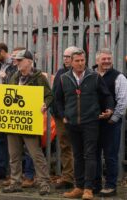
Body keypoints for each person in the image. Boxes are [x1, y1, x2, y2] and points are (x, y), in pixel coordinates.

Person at [56, 48, 114, 200]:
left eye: (83, 60)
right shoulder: (63, 78)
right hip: (72, 123)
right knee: (77, 155)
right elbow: (58, 100)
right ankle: (78, 187)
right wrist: (63, 116)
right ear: (71, 62)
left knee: (90, 154)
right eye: (77, 61)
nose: (80, 63)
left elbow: (106, 95)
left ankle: (88, 189)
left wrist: (109, 109)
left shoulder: (94, 77)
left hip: (91, 122)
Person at [2, 49, 52, 195]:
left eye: (20, 60)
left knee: (35, 154)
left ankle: (44, 183)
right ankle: (15, 182)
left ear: (29, 61)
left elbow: (49, 95)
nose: (16, 63)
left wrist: (45, 104)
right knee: (14, 154)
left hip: (29, 122)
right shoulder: (14, 76)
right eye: (16, 60)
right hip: (13, 122)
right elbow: (6, 95)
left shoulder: (39, 77)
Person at [93, 48, 127, 197]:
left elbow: (123, 101)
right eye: (103, 59)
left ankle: (111, 186)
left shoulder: (119, 77)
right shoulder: (91, 75)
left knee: (110, 155)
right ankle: (95, 185)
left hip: (111, 124)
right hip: (93, 123)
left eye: (109, 59)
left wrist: (113, 119)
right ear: (97, 61)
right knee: (93, 155)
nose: (106, 61)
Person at [0, 42, 17, 180]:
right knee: (0, 138)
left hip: (11, 106)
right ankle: (1, 169)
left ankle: (13, 172)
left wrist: (5, 77)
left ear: (2, 52)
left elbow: (16, 85)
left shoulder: (14, 65)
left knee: (12, 140)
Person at [51, 46, 77, 190]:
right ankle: (68, 177)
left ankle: (79, 177)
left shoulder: (80, 74)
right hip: (60, 116)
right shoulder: (60, 72)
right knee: (65, 145)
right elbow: (55, 95)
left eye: (68, 56)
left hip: (75, 115)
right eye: (65, 56)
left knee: (78, 147)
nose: (65, 59)